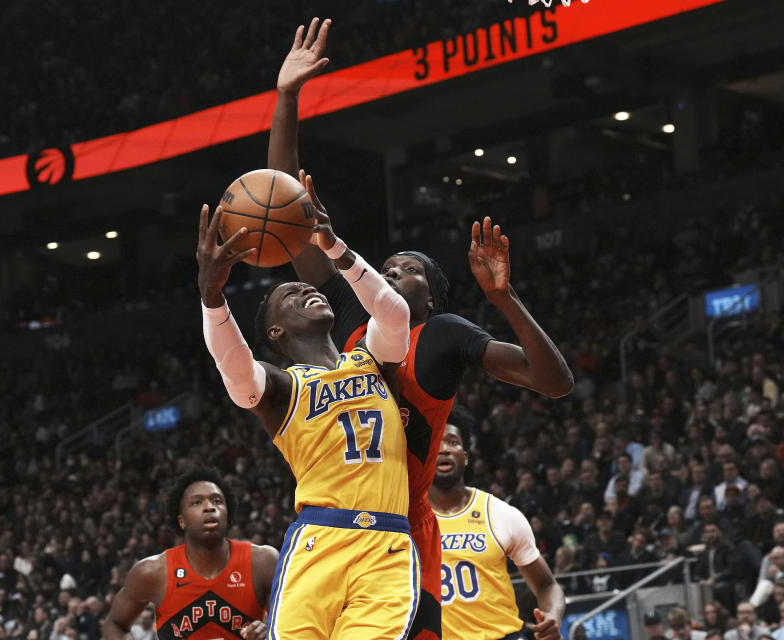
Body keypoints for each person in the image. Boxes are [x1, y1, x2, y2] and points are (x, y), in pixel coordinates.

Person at [267, 19, 573, 640]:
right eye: (385, 267)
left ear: (429, 293)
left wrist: (505, 297)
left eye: (405, 269)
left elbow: (554, 382)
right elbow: (287, 213)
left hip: (403, 525)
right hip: (337, 521)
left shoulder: (444, 334)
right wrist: (287, 98)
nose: (390, 271)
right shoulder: (355, 325)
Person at [197, 185, 420, 640]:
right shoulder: (283, 387)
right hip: (320, 539)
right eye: (290, 295)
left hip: (388, 547)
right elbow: (236, 373)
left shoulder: (371, 358)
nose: (304, 288)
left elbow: (396, 316)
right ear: (276, 330)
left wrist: (333, 247)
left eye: (304, 286)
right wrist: (212, 297)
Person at [428, 412, 565, 640]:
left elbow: (547, 585)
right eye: (435, 442)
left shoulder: (500, 514)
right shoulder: (405, 518)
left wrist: (553, 615)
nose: (444, 449)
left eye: (453, 442)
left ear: (465, 456)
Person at [101, 469, 277, 640]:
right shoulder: (152, 572)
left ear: (227, 514)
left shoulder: (263, 562)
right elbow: (114, 624)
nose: (209, 507)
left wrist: (268, 633)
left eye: (217, 501)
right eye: (196, 503)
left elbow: (292, 626)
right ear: (182, 521)